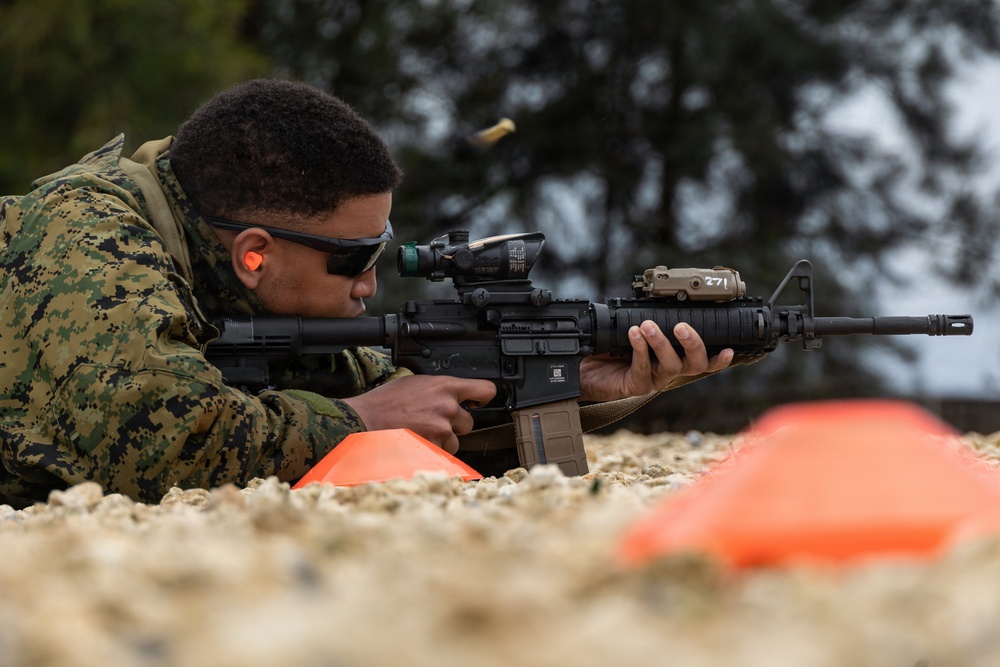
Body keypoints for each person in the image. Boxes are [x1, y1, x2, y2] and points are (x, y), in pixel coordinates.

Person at [0, 79, 733, 508]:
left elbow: (386, 400)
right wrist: (359, 420)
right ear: (255, 254)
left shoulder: (231, 271)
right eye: (352, 258)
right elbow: (154, 439)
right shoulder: (88, 238)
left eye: (379, 250)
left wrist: (564, 381)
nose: (370, 284)